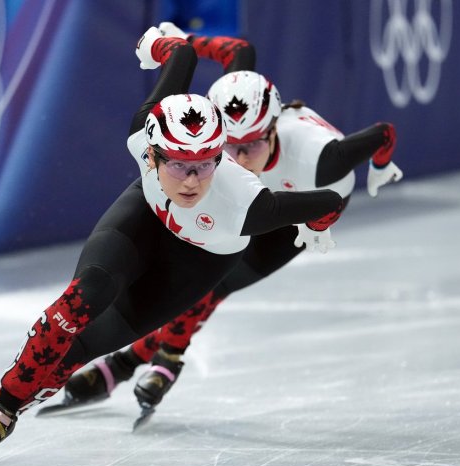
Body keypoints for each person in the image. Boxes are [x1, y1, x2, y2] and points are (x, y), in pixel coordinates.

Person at [0, 26, 345, 466]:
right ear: (153, 154)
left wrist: (318, 225)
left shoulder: (247, 204)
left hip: (197, 260)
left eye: (204, 165)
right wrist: (161, 43)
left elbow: (329, 199)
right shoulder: (143, 131)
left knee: (84, 346)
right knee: (81, 300)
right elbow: (181, 56)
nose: (192, 180)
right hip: (144, 217)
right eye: (178, 164)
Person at [58, 23, 404, 415]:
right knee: (197, 276)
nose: (238, 159)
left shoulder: (323, 159)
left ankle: (150, 360)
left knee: (219, 285)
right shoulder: (229, 125)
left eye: (252, 145)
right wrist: (190, 43)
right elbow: (240, 51)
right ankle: (141, 361)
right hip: (252, 200)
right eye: (228, 146)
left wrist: (380, 165)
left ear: (274, 130)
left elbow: (383, 133)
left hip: (303, 209)